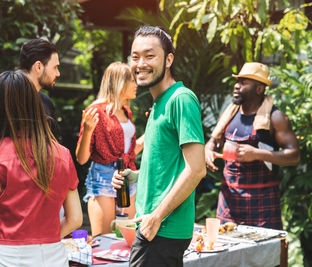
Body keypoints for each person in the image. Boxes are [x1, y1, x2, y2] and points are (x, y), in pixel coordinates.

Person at [0, 71, 82, 266]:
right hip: (55, 257)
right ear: (35, 106)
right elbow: (76, 219)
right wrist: (45, 240)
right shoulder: (62, 154)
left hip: (11, 258)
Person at [112, 26, 206, 267]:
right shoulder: (158, 104)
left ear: (168, 59)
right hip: (152, 226)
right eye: (135, 57)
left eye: (149, 55)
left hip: (161, 229)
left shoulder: (181, 99)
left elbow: (196, 169)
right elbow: (168, 168)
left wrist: (156, 218)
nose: (140, 63)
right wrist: (134, 177)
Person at [205, 62, 300, 230]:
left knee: (263, 253)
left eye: (243, 83)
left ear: (259, 89)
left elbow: (294, 156)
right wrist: (209, 149)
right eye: (237, 81)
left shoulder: (275, 117)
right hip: (229, 200)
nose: (236, 86)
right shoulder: (230, 113)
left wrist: (257, 154)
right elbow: (215, 140)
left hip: (262, 202)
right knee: (226, 252)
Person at [76, 62, 143, 237]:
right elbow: (82, 158)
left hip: (127, 176)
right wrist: (88, 130)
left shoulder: (126, 111)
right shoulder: (95, 111)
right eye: (132, 81)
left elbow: (129, 150)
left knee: (128, 237)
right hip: (103, 177)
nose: (136, 85)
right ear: (119, 83)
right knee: (104, 238)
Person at [0, 38, 61, 147]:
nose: (58, 73)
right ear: (38, 66)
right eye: (55, 67)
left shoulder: (46, 103)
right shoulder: (4, 96)